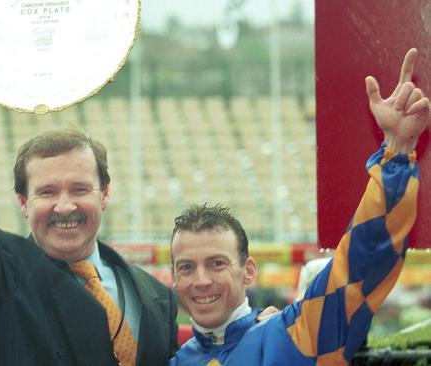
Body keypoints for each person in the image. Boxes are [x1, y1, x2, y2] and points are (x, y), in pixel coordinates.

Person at [168, 47, 429, 365]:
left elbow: (361, 264)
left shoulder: (289, 335)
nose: (201, 280)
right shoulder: (178, 361)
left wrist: (397, 152)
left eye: (217, 263)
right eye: (186, 267)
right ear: (174, 277)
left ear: (248, 271)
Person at [0, 38, 178, 366]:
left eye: (79, 189)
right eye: (47, 192)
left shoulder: (156, 296)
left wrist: (265, 325)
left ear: (104, 194)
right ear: (23, 202)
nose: (65, 206)